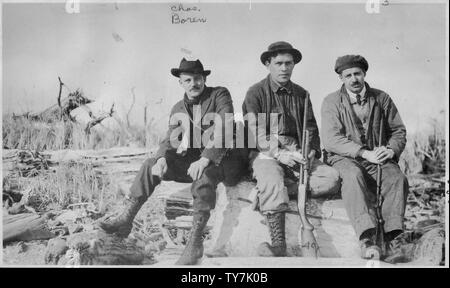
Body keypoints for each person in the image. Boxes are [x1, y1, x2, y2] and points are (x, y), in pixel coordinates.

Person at [99, 58, 246, 265]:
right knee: (150, 164)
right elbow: (170, 139)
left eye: (197, 79)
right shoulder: (179, 107)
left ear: (204, 79)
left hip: (226, 161)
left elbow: (226, 127)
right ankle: (126, 219)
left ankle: (194, 244)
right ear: (180, 82)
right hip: (197, 163)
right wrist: (161, 158)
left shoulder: (219, 94)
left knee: (204, 175)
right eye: (187, 80)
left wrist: (205, 159)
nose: (193, 84)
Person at [242, 41, 340, 257]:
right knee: (270, 176)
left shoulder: (302, 94)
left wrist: (310, 151)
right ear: (268, 64)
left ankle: (273, 191)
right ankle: (278, 244)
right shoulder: (255, 93)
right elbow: (255, 130)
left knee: (331, 178)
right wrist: (279, 153)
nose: (284, 68)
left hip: (297, 152)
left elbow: (311, 127)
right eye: (279, 63)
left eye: (289, 63)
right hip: (266, 152)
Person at [320, 55, 409, 259]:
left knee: (397, 178)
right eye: (348, 75)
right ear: (341, 78)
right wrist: (363, 153)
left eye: (357, 74)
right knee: (352, 177)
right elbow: (331, 139)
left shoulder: (381, 98)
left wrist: (391, 150)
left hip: (377, 157)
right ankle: (367, 239)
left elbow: (398, 131)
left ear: (364, 74)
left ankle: (392, 239)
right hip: (344, 158)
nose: (354, 79)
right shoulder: (331, 101)